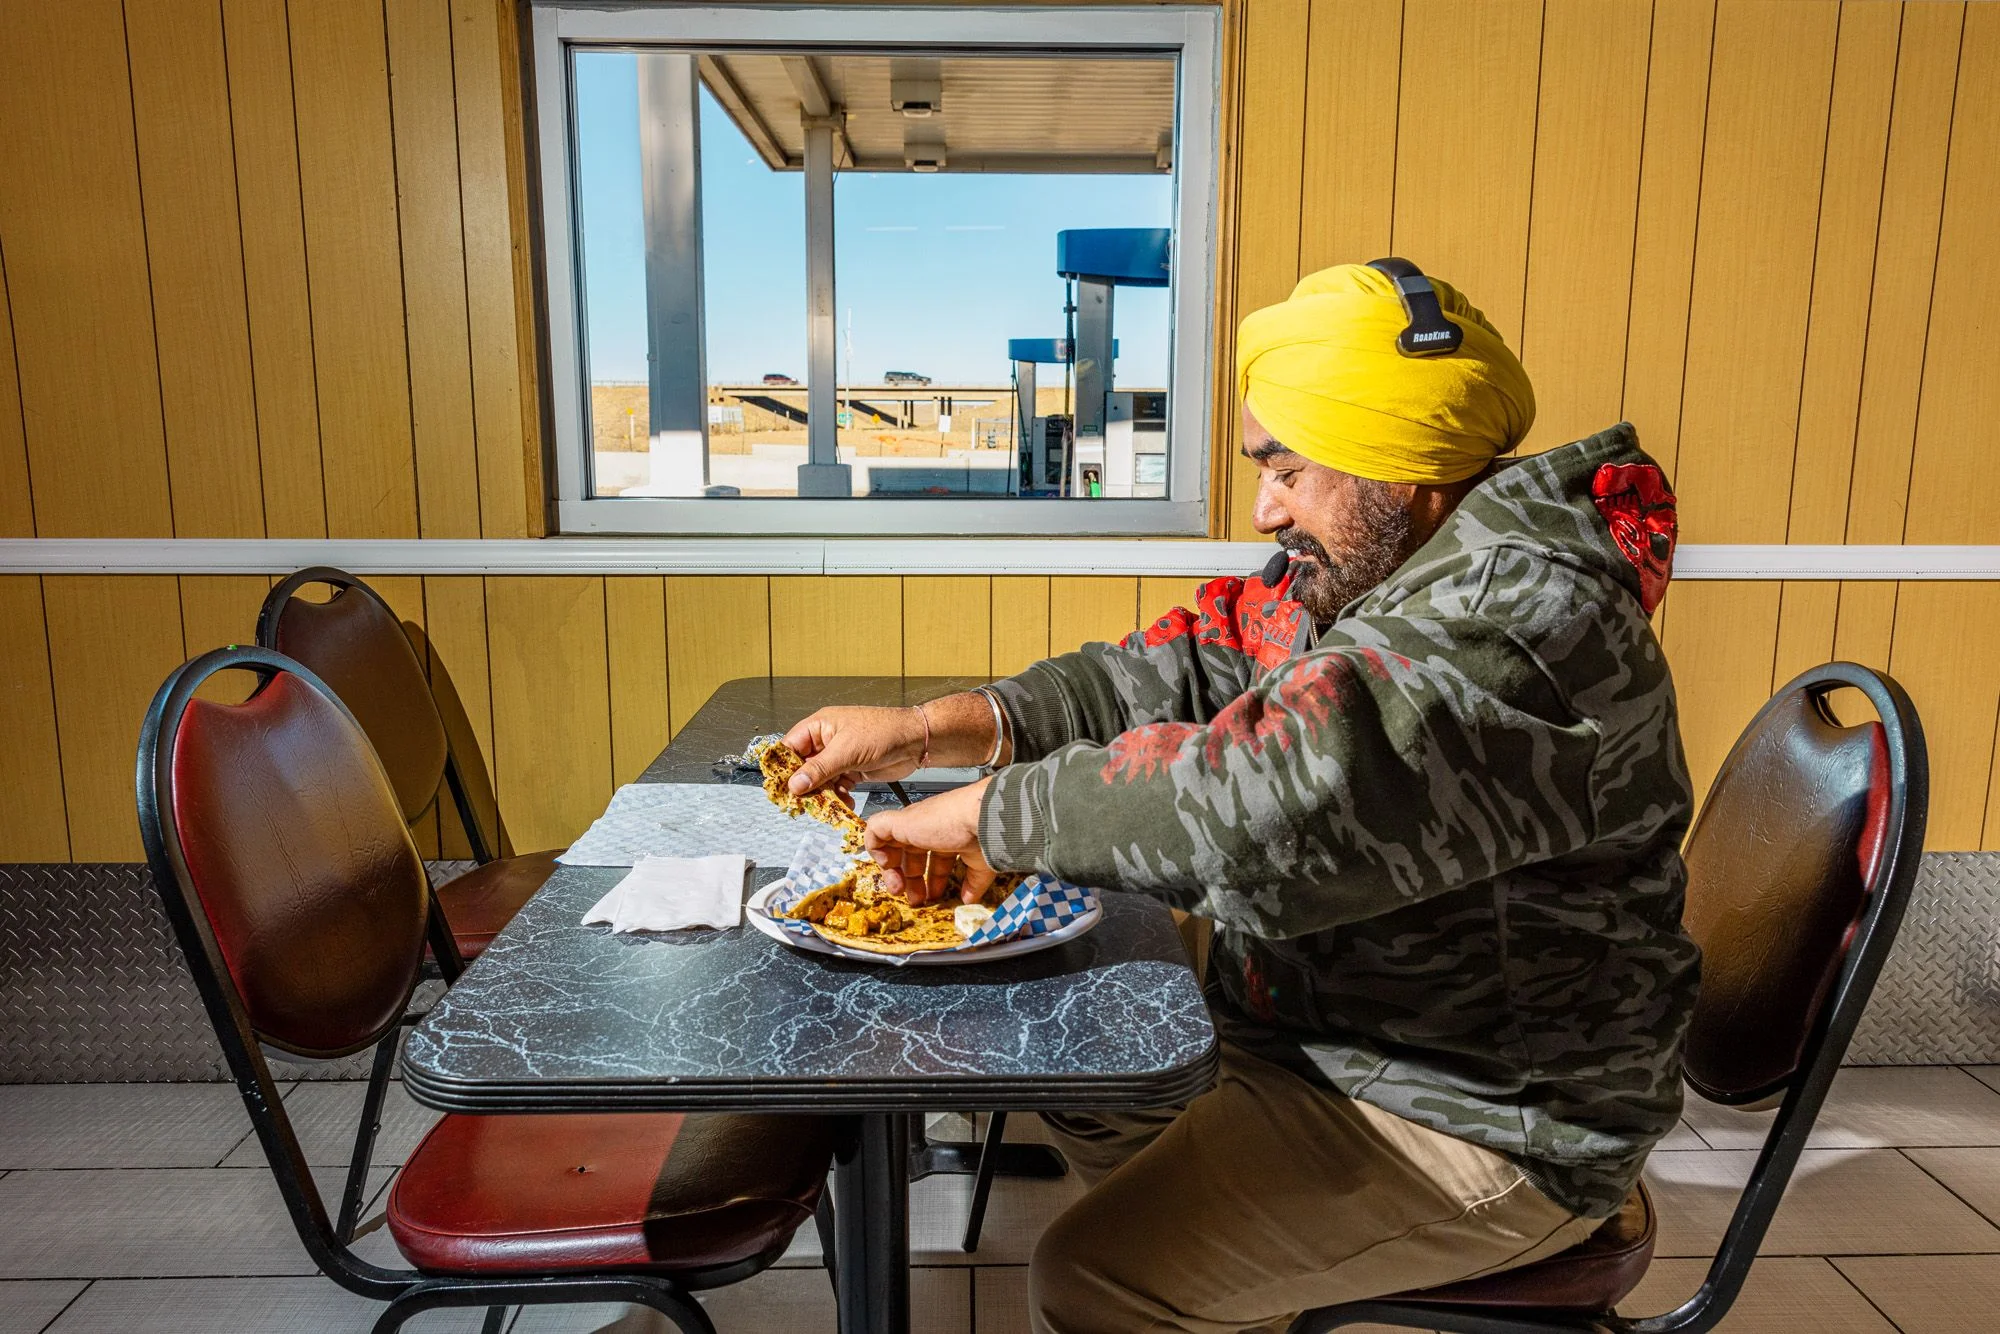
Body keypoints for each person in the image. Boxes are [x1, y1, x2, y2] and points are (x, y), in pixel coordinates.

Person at [780, 262, 1699, 1333]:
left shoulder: (1516, 618)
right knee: (1083, 1068)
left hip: (1482, 1111)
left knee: (1093, 1276)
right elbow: (1176, 667)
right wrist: (930, 726)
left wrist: (985, 816)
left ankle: (1186, 1291)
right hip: (1323, 1039)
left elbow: (1260, 806)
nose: (1265, 507)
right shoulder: (1375, 569)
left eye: (1288, 471)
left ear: (1395, 467)